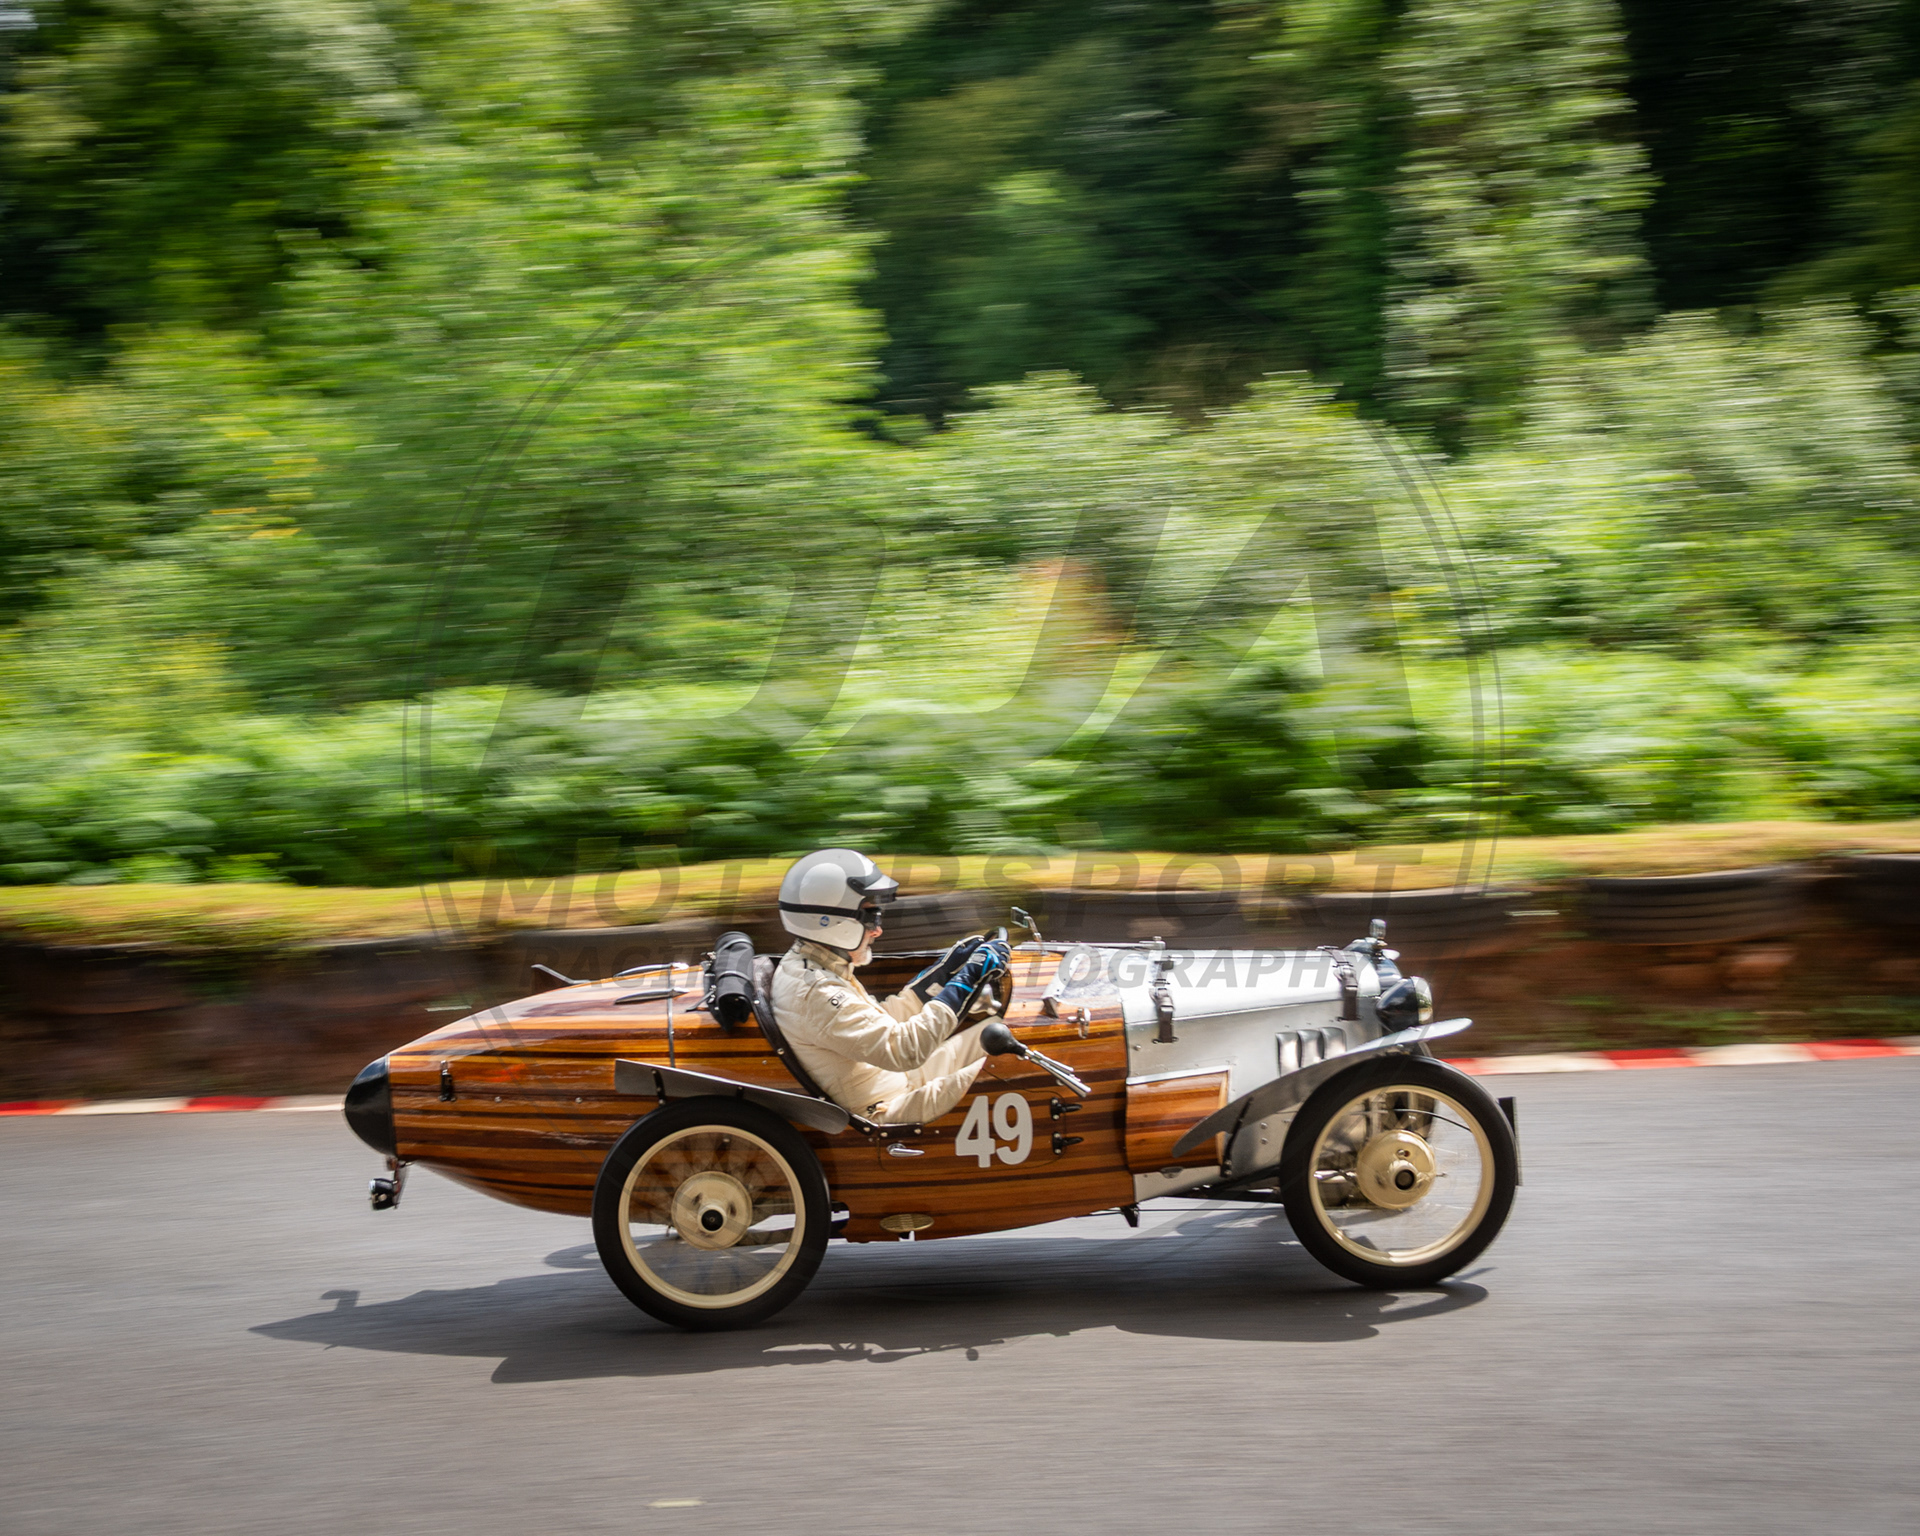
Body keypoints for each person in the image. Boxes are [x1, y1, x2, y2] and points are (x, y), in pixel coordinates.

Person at [771, 848, 1011, 1124]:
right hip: (888, 1108)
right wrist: (967, 978)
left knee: (1009, 1031)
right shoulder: (816, 992)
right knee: (1016, 1058)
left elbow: (880, 1026)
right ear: (833, 921)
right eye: (871, 918)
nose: (878, 930)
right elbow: (906, 1049)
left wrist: (942, 974)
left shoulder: (815, 964)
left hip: (898, 1079)